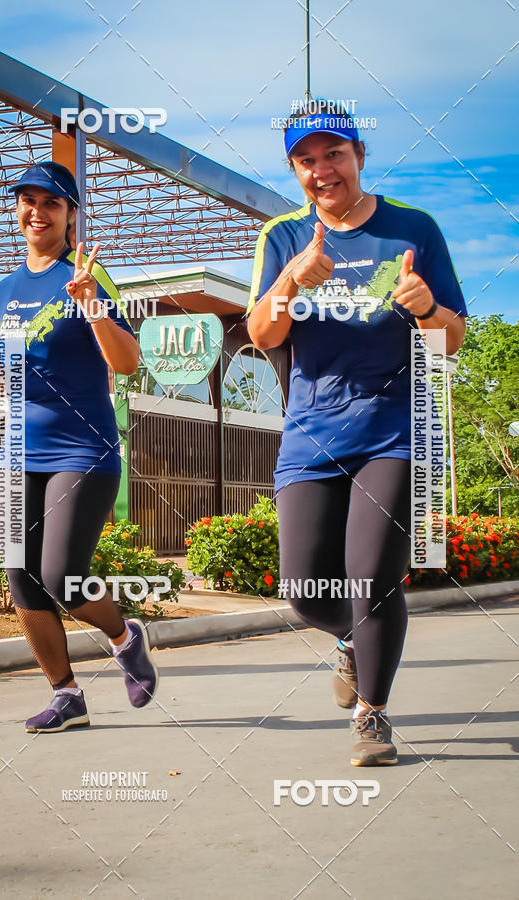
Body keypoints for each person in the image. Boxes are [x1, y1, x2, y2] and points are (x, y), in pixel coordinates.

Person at [247, 104, 467, 765]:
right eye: (307, 160)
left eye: (333, 154)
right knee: (305, 593)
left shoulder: (413, 228)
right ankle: (351, 640)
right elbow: (262, 336)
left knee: (370, 575)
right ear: (294, 169)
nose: (322, 170)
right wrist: (291, 280)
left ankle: (372, 714)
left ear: (359, 155)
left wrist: (426, 308)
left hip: (396, 428)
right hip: (312, 433)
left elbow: (450, 340)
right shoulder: (283, 236)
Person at [0, 161, 158, 733]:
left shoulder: (89, 275)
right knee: (21, 578)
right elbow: (0, 387)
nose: (37, 212)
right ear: (18, 212)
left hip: (81, 452)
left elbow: (126, 364)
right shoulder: (5, 291)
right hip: (17, 455)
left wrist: (91, 303)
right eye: (28, 201)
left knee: (63, 576)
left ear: (70, 214)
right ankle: (66, 695)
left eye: (51, 203)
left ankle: (123, 635)